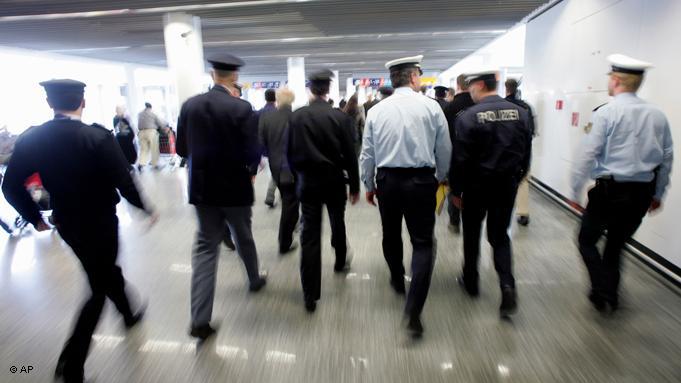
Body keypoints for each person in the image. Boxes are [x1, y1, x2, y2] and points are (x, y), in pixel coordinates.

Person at [2, 79, 155, 383]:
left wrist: (35, 218)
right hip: (100, 221)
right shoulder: (97, 136)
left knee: (103, 271)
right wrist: (145, 208)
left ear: (50, 104)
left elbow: (9, 185)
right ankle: (70, 365)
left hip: (67, 223)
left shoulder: (34, 138)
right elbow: (123, 180)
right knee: (98, 286)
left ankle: (128, 312)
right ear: (82, 102)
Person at [570, 54, 673, 313]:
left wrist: (574, 189)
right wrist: (658, 193)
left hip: (608, 191)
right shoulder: (658, 116)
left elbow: (587, 153)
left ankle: (601, 288)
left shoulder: (606, 113)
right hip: (641, 192)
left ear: (616, 80)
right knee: (616, 245)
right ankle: (610, 294)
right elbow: (667, 158)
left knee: (586, 240)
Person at [176, 53, 267, 341]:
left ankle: (199, 320)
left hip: (202, 190)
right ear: (234, 76)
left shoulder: (189, 105)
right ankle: (253, 279)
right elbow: (253, 152)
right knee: (243, 235)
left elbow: (180, 149)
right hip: (234, 189)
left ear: (213, 74)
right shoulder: (241, 108)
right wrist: (248, 168)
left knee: (205, 249)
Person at [360, 55, 451, 337]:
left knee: (391, 233)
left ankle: (398, 279)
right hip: (422, 180)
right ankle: (414, 308)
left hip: (387, 181)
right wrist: (438, 178)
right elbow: (445, 150)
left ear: (392, 79)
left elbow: (367, 153)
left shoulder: (376, 110)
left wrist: (368, 183)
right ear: (413, 78)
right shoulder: (432, 107)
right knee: (423, 243)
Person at [449, 69, 532, 319]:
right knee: (500, 237)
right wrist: (518, 177)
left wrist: (456, 189)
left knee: (472, 234)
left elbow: (460, 158)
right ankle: (507, 286)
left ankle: (471, 282)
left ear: (482, 85)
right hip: (505, 185)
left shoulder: (469, 116)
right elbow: (526, 151)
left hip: (476, 187)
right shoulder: (521, 113)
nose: (470, 92)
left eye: (472, 87)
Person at [288, 69, 360, 313]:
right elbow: (351, 155)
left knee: (309, 235)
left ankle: (310, 294)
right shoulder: (340, 118)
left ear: (310, 89)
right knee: (337, 220)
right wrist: (355, 185)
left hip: (308, 182)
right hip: (334, 181)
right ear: (328, 90)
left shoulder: (297, 117)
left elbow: (290, 153)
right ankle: (340, 261)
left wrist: (299, 176)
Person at [259, 88, 299, 254]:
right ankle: (284, 242)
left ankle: (288, 235)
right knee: (290, 204)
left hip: (275, 167)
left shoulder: (267, 117)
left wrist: (272, 154)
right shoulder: (297, 118)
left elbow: (261, 143)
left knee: (288, 200)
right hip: (293, 168)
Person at [443, 74, 475, 233]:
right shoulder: (477, 104)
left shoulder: (450, 107)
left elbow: (442, 135)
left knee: (454, 188)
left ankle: (454, 221)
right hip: (476, 158)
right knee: (473, 189)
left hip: (453, 154)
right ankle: (471, 220)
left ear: (457, 85)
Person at [505, 78, 536, 226]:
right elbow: (532, 131)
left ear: (506, 88)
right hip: (523, 150)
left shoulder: (503, 106)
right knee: (523, 181)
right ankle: (523, 213)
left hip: (505, 151)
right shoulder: (526, 107)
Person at [261, 89, 279, 208]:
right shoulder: (278, 113)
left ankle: (270, 196)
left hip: (264, 150)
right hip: (277, 148)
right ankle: (271, 195)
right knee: (276, 174)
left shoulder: (259, 113)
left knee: (274, 174)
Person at [136, 102, 167, 170]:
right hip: (151, 132)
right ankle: (155, 165)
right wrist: (164, 128)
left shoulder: (140, 114)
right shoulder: (153, 113)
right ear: (150, 107)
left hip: (141, 132)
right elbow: (160, 122)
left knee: (144, 149)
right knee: (154, 149)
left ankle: (141, 164)